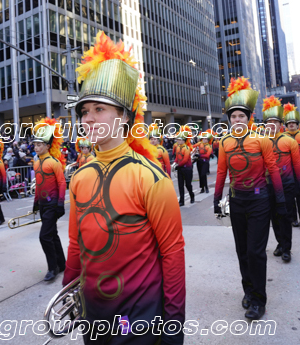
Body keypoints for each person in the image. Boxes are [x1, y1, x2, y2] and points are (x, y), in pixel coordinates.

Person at [64, 32, 185, 343]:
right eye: (84, 111)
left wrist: (173, 326)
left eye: (99, 109)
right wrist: (67, 290)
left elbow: (172, 254)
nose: (88, 119)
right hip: (92, 314)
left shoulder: (151, 178)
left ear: (124, 117)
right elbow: (76, 244)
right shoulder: (79, 176)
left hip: (137, 317)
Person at [213, 77, 285, 320]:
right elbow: (221, 173)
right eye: (233, 116)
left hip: (259, 201)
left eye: (241, 116)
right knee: (242, 250)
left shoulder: (262, 140)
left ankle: (258, 300)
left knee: (256, 252)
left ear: (249, 118)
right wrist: (217, 199)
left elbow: (273, 170)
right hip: (236, 202)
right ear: (229, 120)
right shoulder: (225, 142)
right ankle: (248, 291)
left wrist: (280, 200)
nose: (237, 120)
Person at [263, 97, 300, 263]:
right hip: (268, 186)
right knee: (273, 217)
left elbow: (297, 165)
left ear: (281, 124)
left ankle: (287, 248)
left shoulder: (289, 141)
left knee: (285, 216)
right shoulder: (260, 141)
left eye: (275, 122)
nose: (272, 124)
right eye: (269, 122)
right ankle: (280, 243)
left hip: (286, 185)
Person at [31, 118, 67, 282]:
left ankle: (53, 268)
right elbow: (38, 184)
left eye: (39, 145)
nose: (36, 147)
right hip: (43, 204)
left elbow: (62, 183)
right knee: (52, 234)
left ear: (47, 146)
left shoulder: (54, 162)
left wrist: (60, 204)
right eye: (35, 145)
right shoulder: (36, 163)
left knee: (44, 237)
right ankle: (62, 263)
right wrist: (36, 201)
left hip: (52, 204)